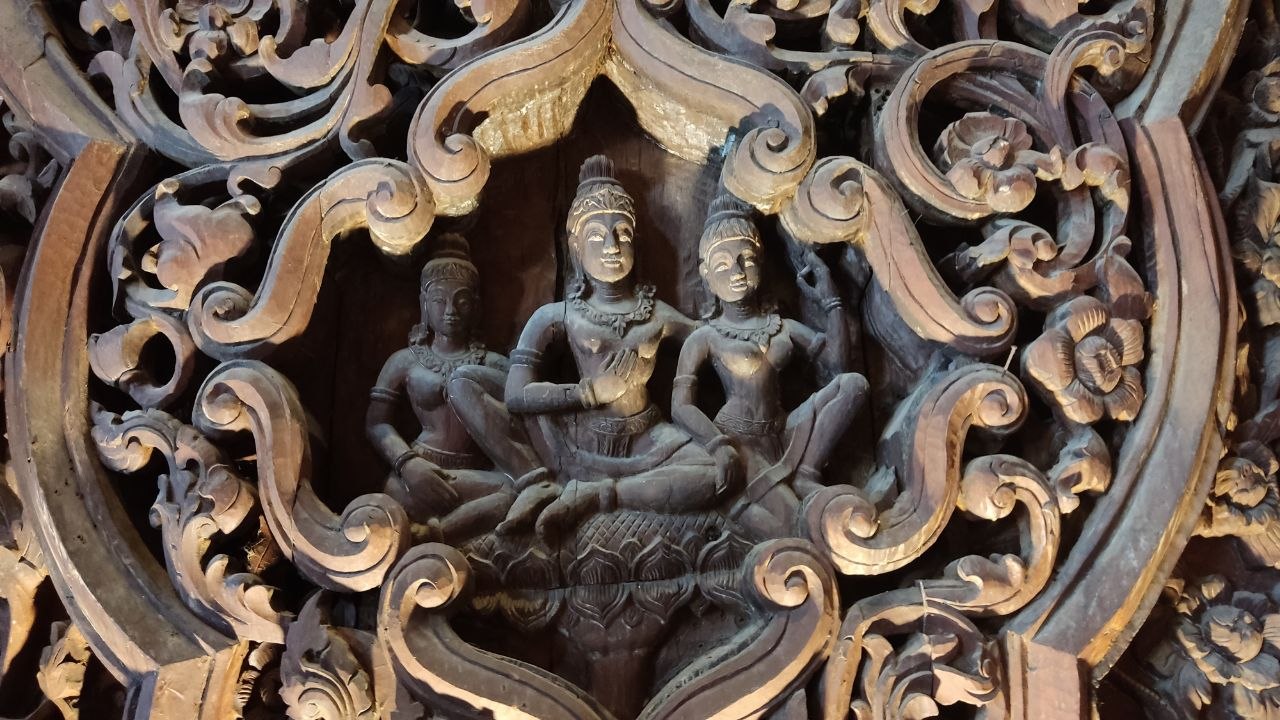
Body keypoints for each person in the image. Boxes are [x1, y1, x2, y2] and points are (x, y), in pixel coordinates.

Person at [493, 155, 724, 538]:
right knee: (467, 382)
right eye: (596, 237)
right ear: (576, 249)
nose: (612, 246)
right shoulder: (558, 316)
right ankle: (543, 484)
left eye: (623, 234)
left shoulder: (657, 315)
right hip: (580, 438)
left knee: (715, 475)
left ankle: (597, 495)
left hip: (648, 437)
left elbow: (712, 343)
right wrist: (589, 392)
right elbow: (516, 395)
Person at [672, 193, 868, 539]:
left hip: (782, 430)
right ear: (706, 275)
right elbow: (681, 407)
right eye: (723, 265)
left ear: (760, 264)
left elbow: (838, 364)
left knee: (853, 385)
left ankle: (806, 473)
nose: (737, 272)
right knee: (795, 523)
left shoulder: (782, 328)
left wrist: (831, 300)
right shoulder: (706, 337)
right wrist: (718, 445)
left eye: (746, 260)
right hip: (740, 440)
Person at [366, 234, 542, 543]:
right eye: (439, 300)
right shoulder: (404, 361)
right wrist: (408, 464)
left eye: (461, 301)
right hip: (418, 470)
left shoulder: (493, 365)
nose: (450, 310)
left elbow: (524, 423)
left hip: (475, 476)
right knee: (393, 493)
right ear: (424, 304)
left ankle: (436, 534)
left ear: (475, 307)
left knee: (514, 492)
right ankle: (449, 530)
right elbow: (377, 423)